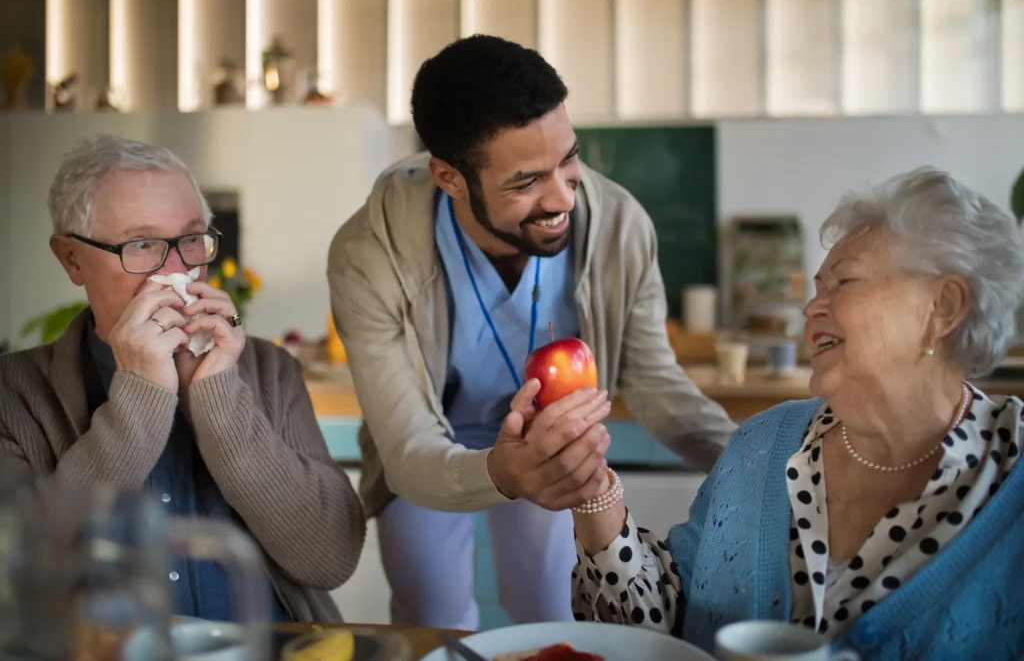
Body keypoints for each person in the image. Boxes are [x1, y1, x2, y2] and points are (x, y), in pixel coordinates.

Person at [327, 34, 735, 630]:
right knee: (434, 622)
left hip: (551, 443)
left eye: (568, 160)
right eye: (526, 182)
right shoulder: (368, 254)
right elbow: (409, 449)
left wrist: (768, 465)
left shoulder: (620, 226)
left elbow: (659, 390)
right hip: (430, 453)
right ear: (449, 177)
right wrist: (499, 471)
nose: (562, 197)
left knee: (550, 614)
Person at [567, 167, 1024, 659]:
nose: (811, 308)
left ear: (943, 306)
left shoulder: (1010, 473)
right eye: (817, 286)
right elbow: (665, 624)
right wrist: (594, 494)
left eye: (843, 282)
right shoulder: (763, 444)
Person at [0, 135, 366, 623]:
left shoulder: (271, 369)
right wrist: (141, 397)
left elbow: (332, 556)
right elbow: (20, 577)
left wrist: (218, 398)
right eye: (143, 244)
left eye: (192, 238)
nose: (178, 271)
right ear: (72, 259)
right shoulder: (11, 392)